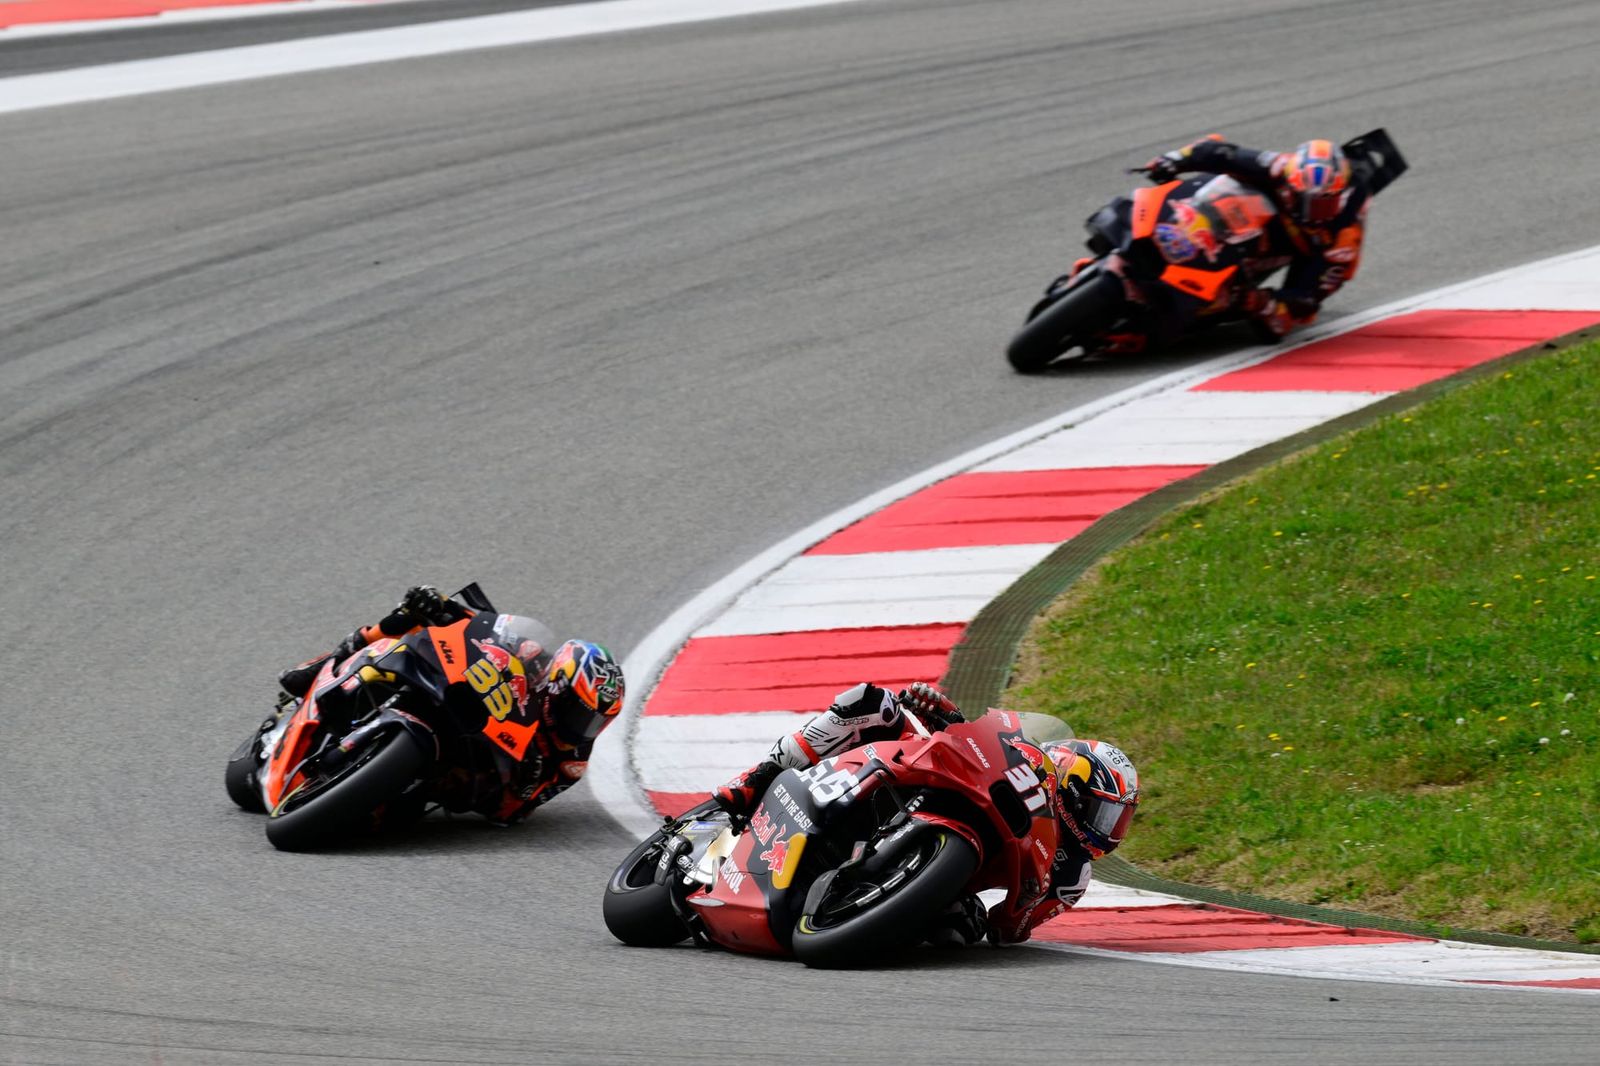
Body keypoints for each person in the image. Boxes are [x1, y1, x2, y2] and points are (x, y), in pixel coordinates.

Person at [711, 681, 1139, 945]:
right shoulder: (1031, 757)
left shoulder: (1072, 874)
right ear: (1073, 786)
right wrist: (944, 713)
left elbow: (1010, 930)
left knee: (959, 933)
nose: (1105, 829)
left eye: (1115, 819)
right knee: (871, 702)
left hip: (944, 876)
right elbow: (977, 740)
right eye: (1101, 812)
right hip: (917, 778)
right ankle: (755, 780)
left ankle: (865, 911)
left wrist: (994, 908)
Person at [277, 584, 624, 824]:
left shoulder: (572, 760)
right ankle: (326, 664)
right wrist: (441, 605)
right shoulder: (532, 654)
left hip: (464, 769)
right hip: (457, 696)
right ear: (557, 684)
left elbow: (516, 813)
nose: (583, 727)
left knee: (397, 819)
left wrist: (527, 784)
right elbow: (483, 626)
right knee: (409, 620)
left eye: (595, 721)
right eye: (580, 712)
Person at [1138, 134, 1370, 342]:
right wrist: (1174, 159)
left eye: (1322, 203)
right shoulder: (1280, 167)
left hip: (1266, 255)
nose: (1311, 211)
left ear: (1340, 196)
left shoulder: (1343, 238)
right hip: (1225, 218)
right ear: (1291, 184)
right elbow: (1217, 151)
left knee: (1274, 320)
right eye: (1304, 199)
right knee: (1185, 190)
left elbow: (1307, 299)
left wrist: (1264, 301)